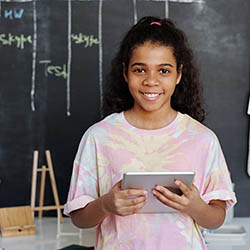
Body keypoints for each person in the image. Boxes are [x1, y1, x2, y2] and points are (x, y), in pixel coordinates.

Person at [64, 16, 236, 250]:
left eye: (164, 70)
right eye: (140, 70)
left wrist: (195, 206)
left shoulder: (202, 139)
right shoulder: (99, 137)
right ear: (125, 73)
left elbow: (217, 216)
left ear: (178, 75)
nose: (151, 81)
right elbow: (79, 218)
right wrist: (105, 205)